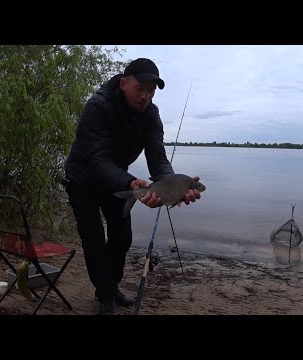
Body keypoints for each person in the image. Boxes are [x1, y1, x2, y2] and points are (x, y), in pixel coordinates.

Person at [63, 58, 201, 315]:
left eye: (151, 91)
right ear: (124, 83)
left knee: (122, 237)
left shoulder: (151, 115)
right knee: (94, 240)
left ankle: (110, 287)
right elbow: (99, 159)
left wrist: (173, 186)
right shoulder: (98, 107)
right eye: (141, 88)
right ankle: (105, 296)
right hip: (83, 180)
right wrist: (129, 181)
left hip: (117, 180)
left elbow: (157, 157)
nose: (146, 96)